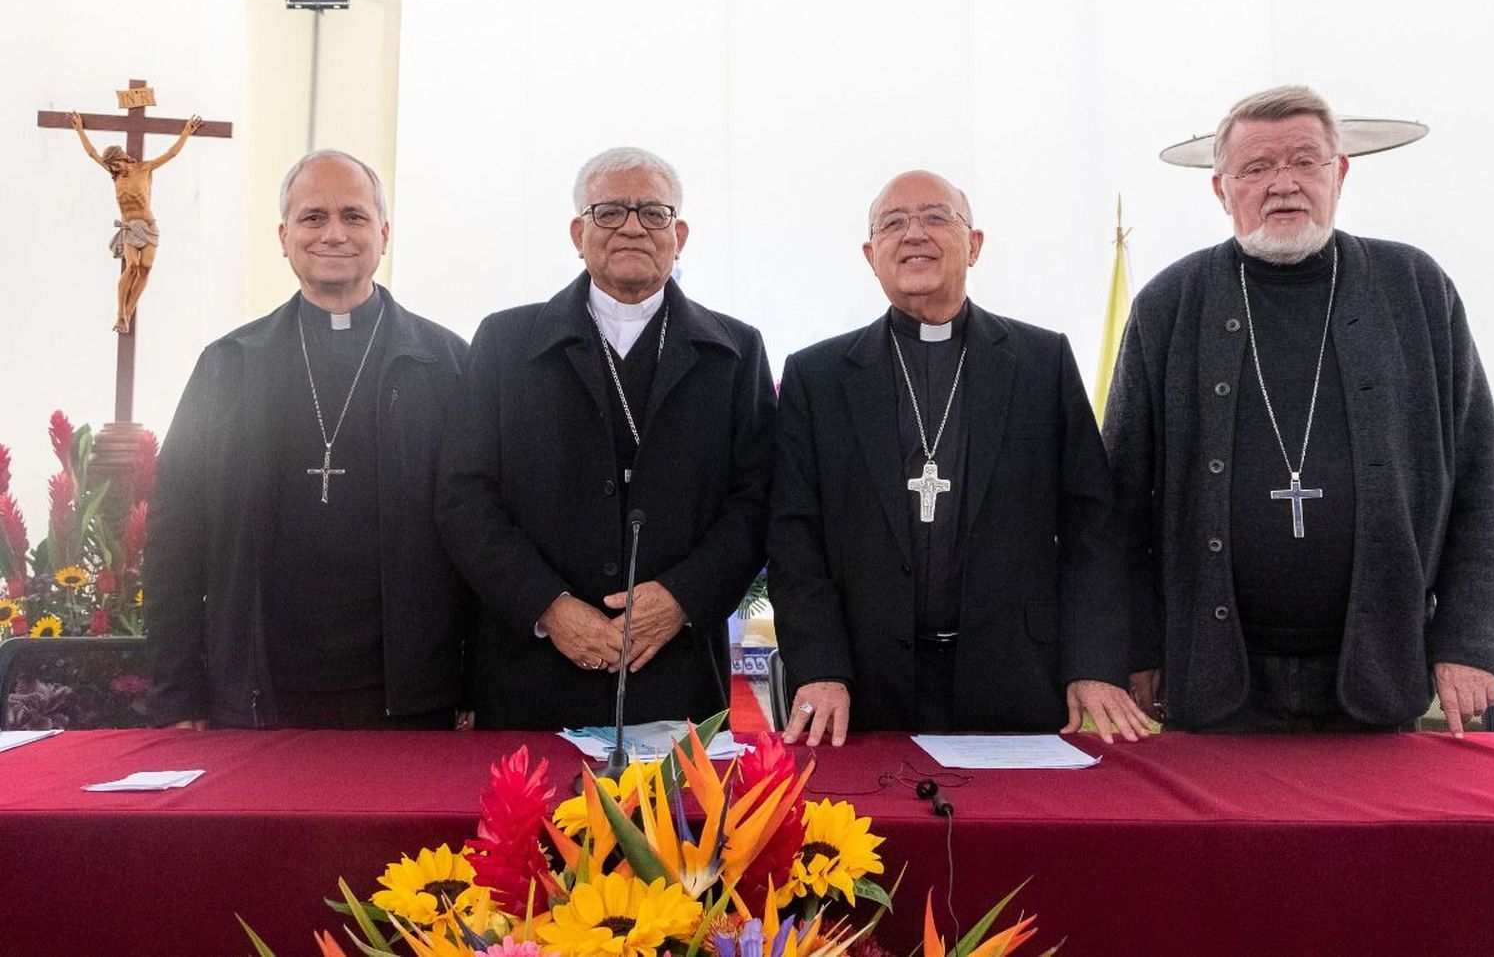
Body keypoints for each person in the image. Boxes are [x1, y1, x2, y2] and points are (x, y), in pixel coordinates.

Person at [1103, 85, 1494, 735]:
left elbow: (1481, 481)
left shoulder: (1415, 289)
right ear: (1221, 189)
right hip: (1213, 681)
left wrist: (1468, 642)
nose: (1283, 184)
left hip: (1379, 676)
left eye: (1303, 161)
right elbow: (1119, 502)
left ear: (1339, 173)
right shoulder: (1170, 305)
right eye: (1258, 168)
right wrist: (1137, 648)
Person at [768, 170, 1153, 746]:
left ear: (973, 244)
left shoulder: (1040, 362)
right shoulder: (816, 376)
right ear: (871, 255)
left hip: (1014, 678)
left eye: (935, 217)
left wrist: (1093, 663)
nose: (913, 234)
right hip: (861, 687)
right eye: (893, 224)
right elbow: (794, 538)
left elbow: (1091, 528)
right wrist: (821, 665)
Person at [435, 146, 775, 730]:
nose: (632, 228)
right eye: (609, 212)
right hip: (531, 667)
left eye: (653, 213)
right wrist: (548, 608)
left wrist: (682, 598)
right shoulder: (506, 343)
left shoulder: (734, 353)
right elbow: (465, 497)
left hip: (674, 667)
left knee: (675, 824)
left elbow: (759, 499)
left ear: (680, 233)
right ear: (578, 231)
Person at [145, 150, 471, 730]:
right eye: (313, 217)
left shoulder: (445, 365)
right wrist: (177, 695)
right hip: (257, 693)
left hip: (411, 699)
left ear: (384, 234)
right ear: (284, 235)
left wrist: (476, 689)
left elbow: (479, 530)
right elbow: (176, 536)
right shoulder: (229, 366)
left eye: (354, 216)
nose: (334, 234)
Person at [69, 110, 201, 332]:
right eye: (110, 167)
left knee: (146, 268)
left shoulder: (144, 168)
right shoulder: (116, 176)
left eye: (114, 165)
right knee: (132, 266)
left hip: (149, 226)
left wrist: (186, 132)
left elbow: (171, 154)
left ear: (121, 158)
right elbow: (92, 153)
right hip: (129, 227)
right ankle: (120, 312)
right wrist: (79, 129)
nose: (112, 170)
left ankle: (128, 313)